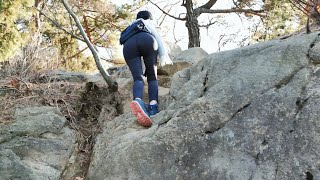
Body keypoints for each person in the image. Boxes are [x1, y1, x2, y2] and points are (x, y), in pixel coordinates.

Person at [121, 10, 172, 127]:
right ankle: (153, 106)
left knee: (138, 78)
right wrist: (163, 54)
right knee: (152, 77)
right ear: (150, 18)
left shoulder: (131, 27)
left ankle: (138, 100)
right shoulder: (149, 24)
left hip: (129, 45)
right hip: (147, 40)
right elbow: (158, 37)